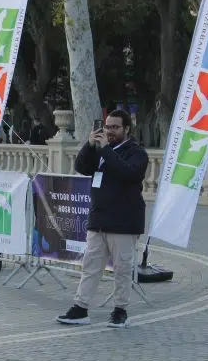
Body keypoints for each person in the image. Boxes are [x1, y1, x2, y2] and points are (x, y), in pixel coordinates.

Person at [56, 109, 148, 328]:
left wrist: (106, 149)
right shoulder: (100, 149)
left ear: (126, 129)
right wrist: (89, 145)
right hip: (98, 219)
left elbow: (128, 173)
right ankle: (80, 308)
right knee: (90, 266)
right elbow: (81, 167)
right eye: (107, 126)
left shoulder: (136, 153)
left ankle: (120, 310)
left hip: (124, 223)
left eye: (115, 127)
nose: (110, 131)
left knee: (122, 269)